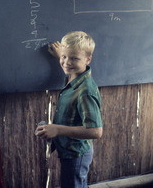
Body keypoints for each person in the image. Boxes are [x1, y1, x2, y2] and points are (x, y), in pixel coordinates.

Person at [35, 31, 103, 188]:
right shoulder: (76, 76)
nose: (66, 62)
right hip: (69, 150)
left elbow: (96, 131)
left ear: (88, 59)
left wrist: (57, 129)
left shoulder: (85, 91)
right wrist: (62, 55)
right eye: (64, 57)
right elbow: (68, 65)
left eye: (74, 58)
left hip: (76, 154)